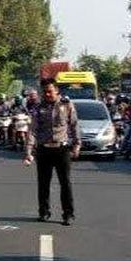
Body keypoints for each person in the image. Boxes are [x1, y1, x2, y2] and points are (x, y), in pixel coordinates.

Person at [23, 78, 81, 226]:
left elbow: (74, 126)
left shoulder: (67, 105)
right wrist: (29, 152)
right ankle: (44, 212)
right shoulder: (38, 107)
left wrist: (77, 144)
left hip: (62, 149)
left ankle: (68, 214)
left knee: (65, 183)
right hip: (43, 150)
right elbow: (33, 130)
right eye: (45, 92)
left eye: (50, 91)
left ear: (57, 91)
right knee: (43, 184)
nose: (47, 94)